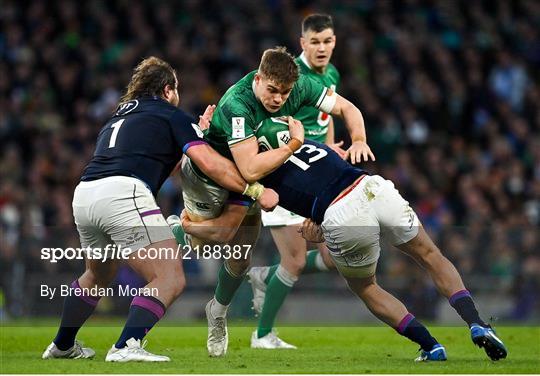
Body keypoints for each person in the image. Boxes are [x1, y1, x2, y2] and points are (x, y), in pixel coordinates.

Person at [181, 120, 508, 362]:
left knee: (367, 287)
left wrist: (191, 224)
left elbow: (241, 211)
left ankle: (430, 346)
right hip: (373, 187)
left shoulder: (251, 172)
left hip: (342, 213)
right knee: (430, 254)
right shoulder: (304, 142)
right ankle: (477, 323)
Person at [42, 56, 278, 363]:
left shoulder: (118, 116)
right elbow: (206, 163)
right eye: (176, 89)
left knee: (97, 275)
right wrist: (255, 189)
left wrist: (200, 134)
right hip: (123, 194)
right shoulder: (171, 115)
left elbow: (157, 160)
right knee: (170, 278)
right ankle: (127, 345)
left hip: (86, 194)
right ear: (168, 90)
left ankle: (62, 345)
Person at [179, 46, 374, 357]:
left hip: (250, 181)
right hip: (212, 177)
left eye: (284, 93)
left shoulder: (301, 86)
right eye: (271, 90)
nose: (278, 99)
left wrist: (359, 138)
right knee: (212, 236)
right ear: (258, 79)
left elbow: (348, 109)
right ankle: (175, 228)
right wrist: (295, 143)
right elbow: (248, 168)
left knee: (240, 256)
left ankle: (216, 312)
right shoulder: (237, 103)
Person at [248, 13, 346, 349]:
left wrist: (331, 145)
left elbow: (327, 117)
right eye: (315, 42)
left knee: (335, 257)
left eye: (328, 41)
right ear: (302, 43)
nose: (322, 48)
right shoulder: (290, 77)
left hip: (318, 171)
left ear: (334, 42)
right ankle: (262, 335)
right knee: (295, 260)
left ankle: (267, 276)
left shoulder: (331, 74)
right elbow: (270, 117)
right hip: (287, 172)